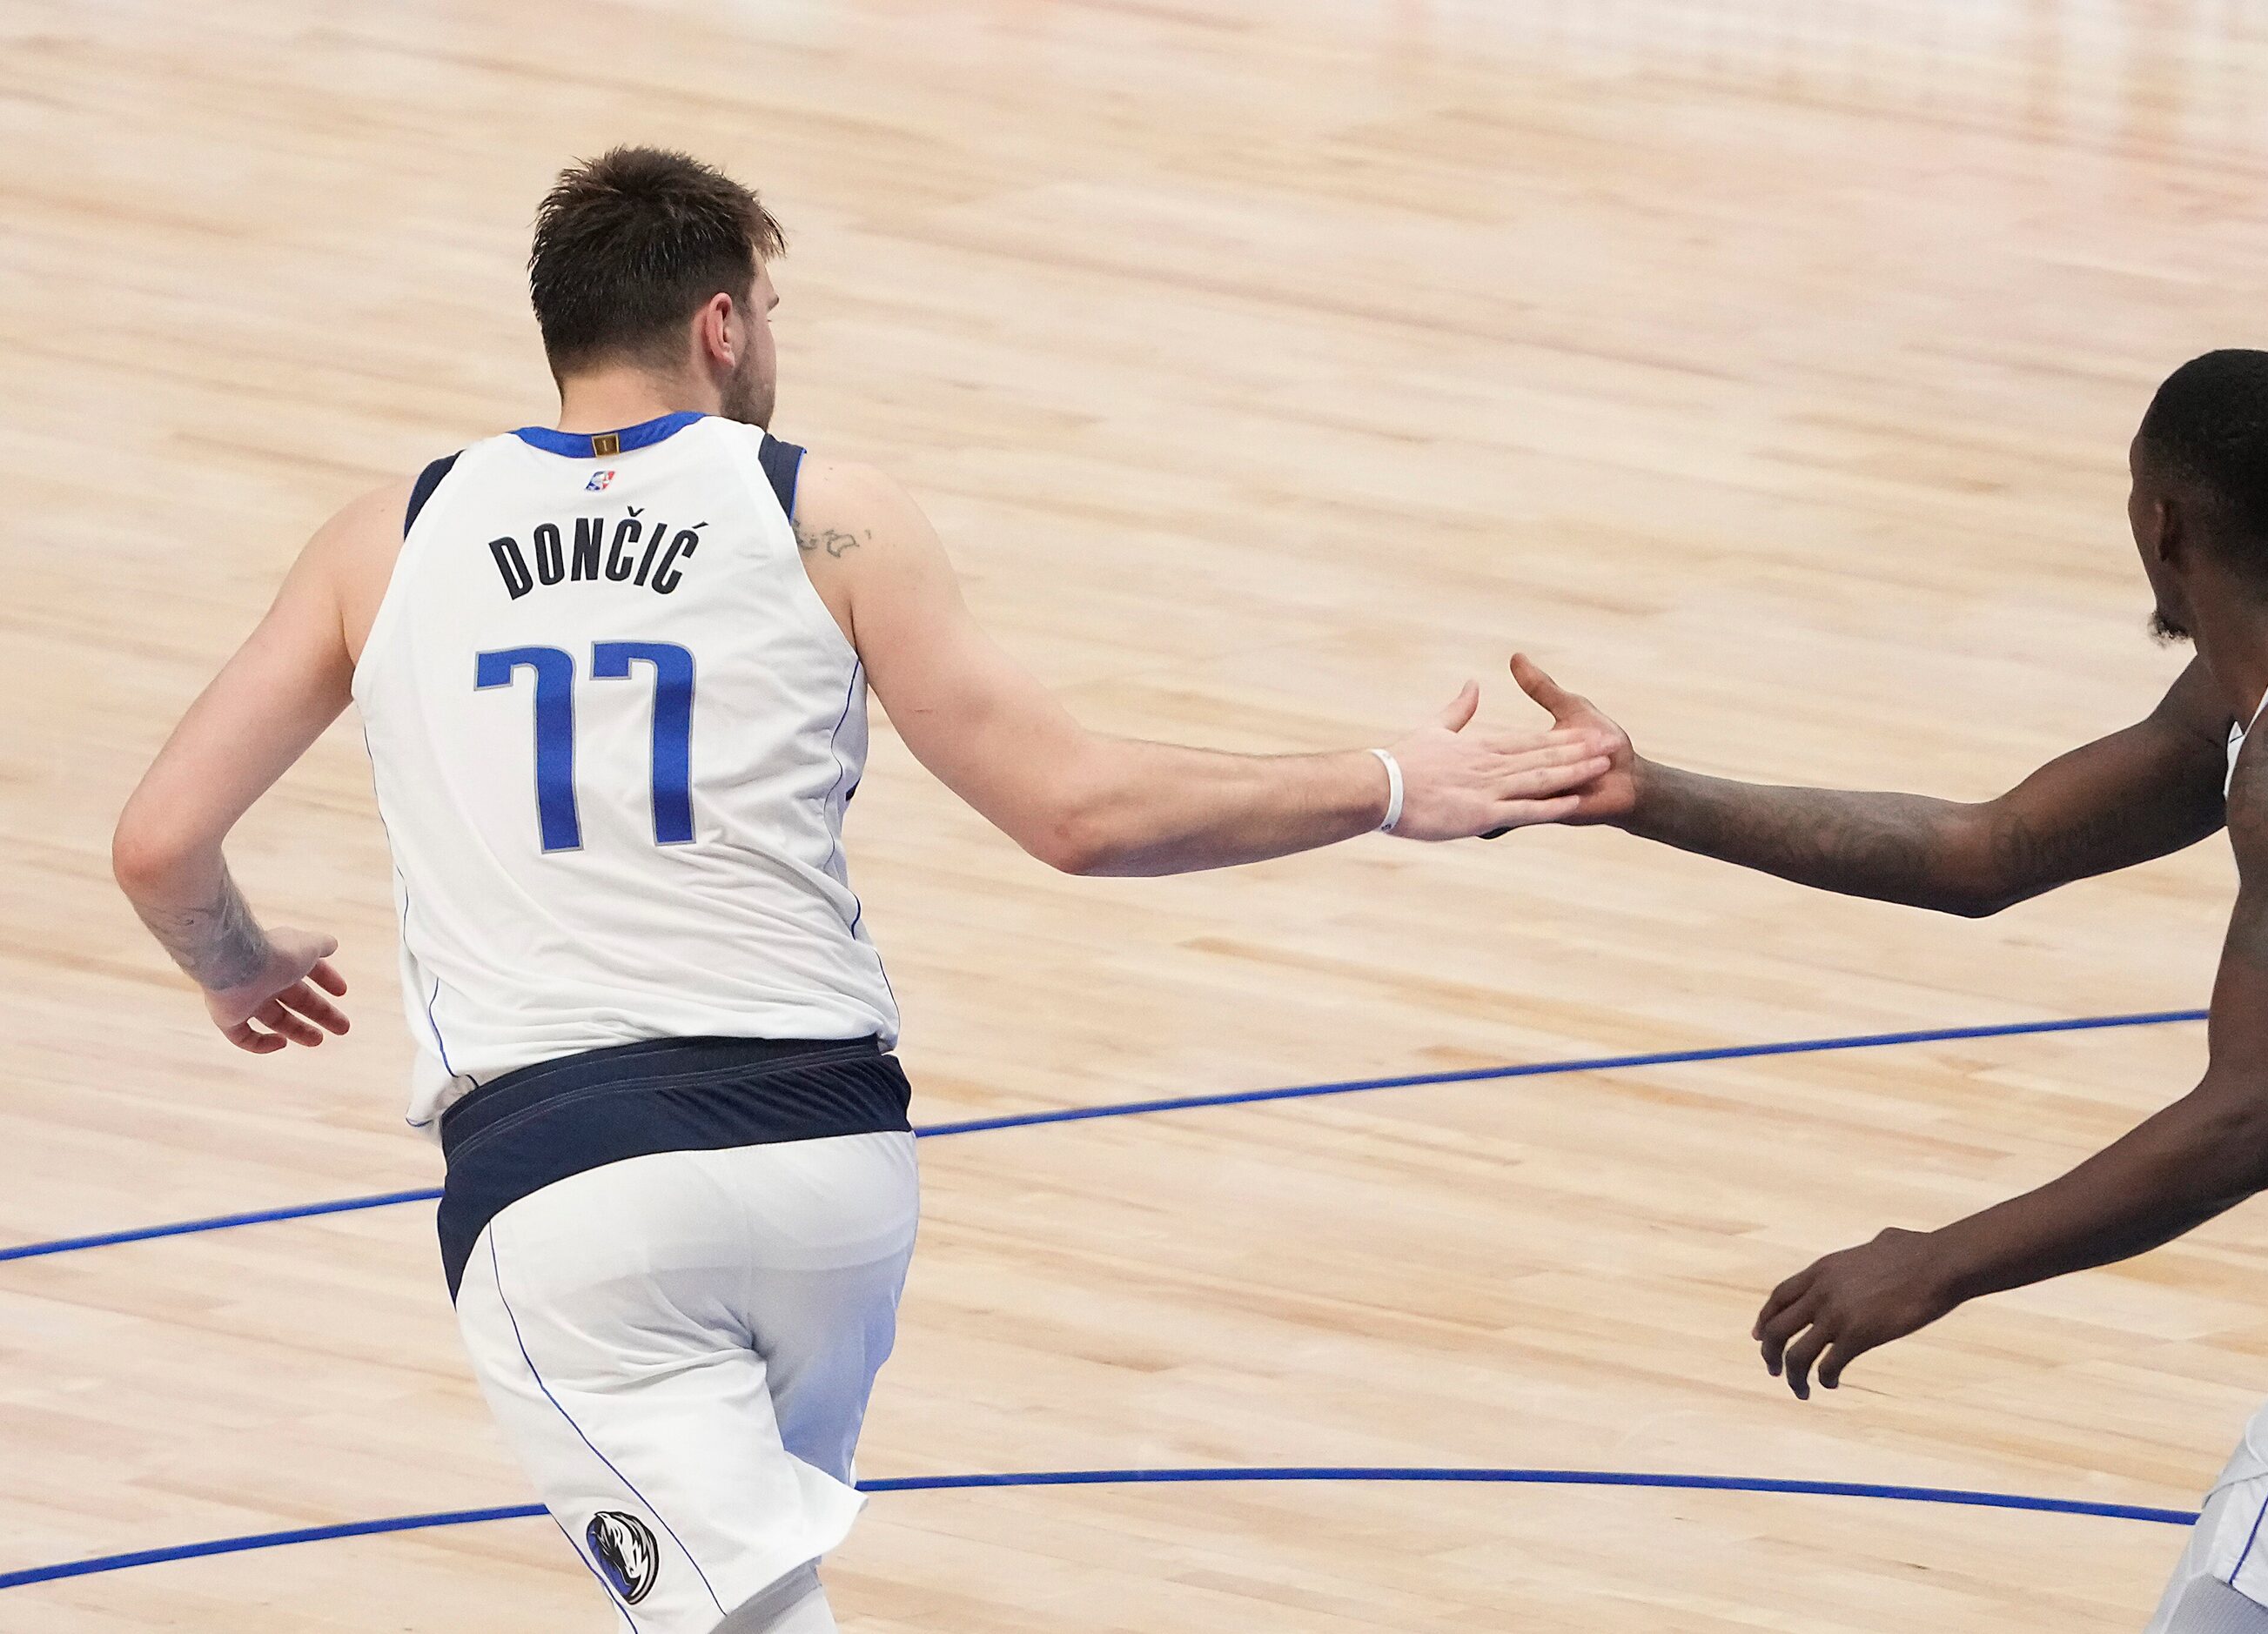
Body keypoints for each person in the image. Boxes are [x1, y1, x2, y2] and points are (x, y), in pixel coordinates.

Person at [110, 146, 1612, 1634]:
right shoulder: (828, 511)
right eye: (769, 306)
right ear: (718, 324)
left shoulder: (390, 534)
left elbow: (158, 844)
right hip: (831, 1170)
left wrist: (233, 964)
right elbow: (1079, 812)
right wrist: (1390, 781)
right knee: (755, 1595)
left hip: (573, 1184)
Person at [1513, 350, 2268, 1633]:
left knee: (2246, 1604)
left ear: (2158, 520)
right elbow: (1988, 850)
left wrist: (1937, 1261)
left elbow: (2246, 1126)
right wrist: (1645, 792)